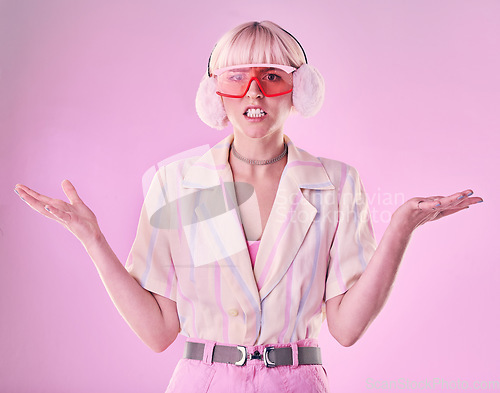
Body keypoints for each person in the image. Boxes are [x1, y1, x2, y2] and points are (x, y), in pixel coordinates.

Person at [14, 21, 483, 393]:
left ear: (299, 89)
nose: (254, 93)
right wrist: (92, 238)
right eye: (237, 77)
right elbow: (158, 331)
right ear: (216, 90)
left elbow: (346, 327)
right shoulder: (173, 182)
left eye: (271, 77)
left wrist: (401, 227)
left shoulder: (338, 183)